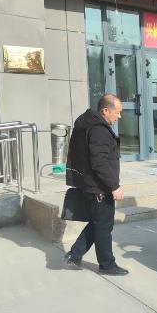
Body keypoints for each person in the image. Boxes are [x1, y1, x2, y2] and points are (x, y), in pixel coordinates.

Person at [63, 94, 129, 275]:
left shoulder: (90, 125)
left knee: (98, 223)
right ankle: (107, 265)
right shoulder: (99, 130)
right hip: (100, 188)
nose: (119, 116)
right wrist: (114, 186)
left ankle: (74, 255)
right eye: (117, 112)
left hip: (92, 185)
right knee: (103, 227)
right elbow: (99, 162)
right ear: (105, 110)